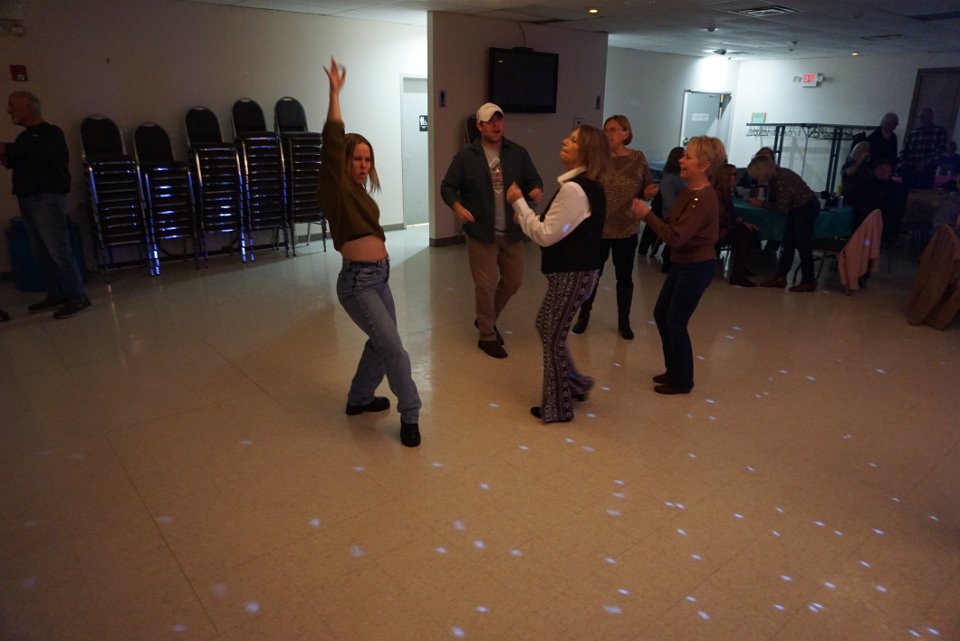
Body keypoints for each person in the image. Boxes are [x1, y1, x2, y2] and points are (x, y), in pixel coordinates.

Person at [316, 58, 420, 447]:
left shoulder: (360, 193)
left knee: (381, 341)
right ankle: (411, 413)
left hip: (380, 277)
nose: (362, 165)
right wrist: (335, 94)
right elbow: (331, 141)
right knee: (393, 347)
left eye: (367, 159)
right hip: (358, 282)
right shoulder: (335, 188)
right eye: (356, 158)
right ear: (344, 161)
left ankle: (359, 399)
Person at [506, 124, 608, 423]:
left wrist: (518, 202)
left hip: (572, 274)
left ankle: (558, 407)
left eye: (573, 140)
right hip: (578, 272)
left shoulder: (575, 190)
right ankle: (576, 384)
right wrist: (527, 215)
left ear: (586, 151)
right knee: (546, 326)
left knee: (552, 336)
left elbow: (546, 235)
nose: (565, 141)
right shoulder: (584, 185)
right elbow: (558, 228)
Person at [441, 102, 543, 359]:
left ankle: (486, 318)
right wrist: (457, 207)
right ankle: (486, 335)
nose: (497, 125)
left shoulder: (517, 153)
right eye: (490, 121)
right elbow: (447, 187)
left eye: (500, 120)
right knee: (485, 285)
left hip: (512, 231)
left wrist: (536, 190)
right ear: (479, 126)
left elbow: (534, 179)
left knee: (513, 280)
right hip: (481, 232)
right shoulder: (466, 156)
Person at [630, 136, 726, 395]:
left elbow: (676, 236)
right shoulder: (689, 192)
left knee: (675, 321)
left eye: (688, 157)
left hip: (696, 266)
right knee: (663, 314)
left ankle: (683, 380)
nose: (681, 161)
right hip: (683, 264)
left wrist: (646, 215)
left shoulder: (703, 197)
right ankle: (674, 370)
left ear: (704, 166)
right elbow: (674, 225)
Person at [1, 91, 90, 319]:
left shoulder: (51, 133)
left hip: (47, 199)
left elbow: (37, 153)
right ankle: (57, 294)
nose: (9, 110)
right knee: (41, 252)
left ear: (27, 108)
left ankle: (78, 297)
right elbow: (18, 159)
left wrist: (7, 149)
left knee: (58, 250)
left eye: (12, 105)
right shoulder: (24, 138)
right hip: (28, 198)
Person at [572, 115, 657, 339]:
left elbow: (645, 186)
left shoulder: (638, 158)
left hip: (626, 227)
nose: (608, 134)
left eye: (613, 130)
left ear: (626, 133)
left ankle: (623, 321)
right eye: (606, 130)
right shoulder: (597, 157)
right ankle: (583, 316)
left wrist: (648, 192)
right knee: (592, 275)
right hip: (598, 228)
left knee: (624, 277)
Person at [748, 155, 821, 292]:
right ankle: (781, 277)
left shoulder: (782, 179)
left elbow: (781, 207)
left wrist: (762, 204)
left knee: (802, 244)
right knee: (788, 242)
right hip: (799, 207)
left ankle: (808, 280)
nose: (756, 178)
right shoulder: (777, 176)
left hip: (805, 207)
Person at [714, 163, 760, 287]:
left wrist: (744, 222)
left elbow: (731, 214)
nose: (737, 177)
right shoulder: (716, 194)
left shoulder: (726, 192)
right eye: (734, 174)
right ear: (725, 176)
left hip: (723, 226)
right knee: (744, 235)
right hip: (716, 229)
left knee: (751, 231)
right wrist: (738, 223)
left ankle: (740, 267)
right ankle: (737, 274)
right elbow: (720, 217)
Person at [845, 158, 908, 245]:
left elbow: (899, 210)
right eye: (880, 168)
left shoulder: (898, 188)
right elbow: (850, 199)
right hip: (865, 227)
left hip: (887, 228)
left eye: (886, 168)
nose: (883, 171)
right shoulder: (865, 185)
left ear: (891, 170)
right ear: (874, 170)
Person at [900, 108, 948, 189]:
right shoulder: (913, 132)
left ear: (931, 117)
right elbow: (905, 150)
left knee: (923, 193)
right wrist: (903, 164)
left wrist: (925, 162)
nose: (920, 120)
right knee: (905, 193)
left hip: (927, 171)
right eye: (919, 117)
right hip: (909, 170)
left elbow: (941, 150)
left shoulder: (939, 131)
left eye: (923, 117)